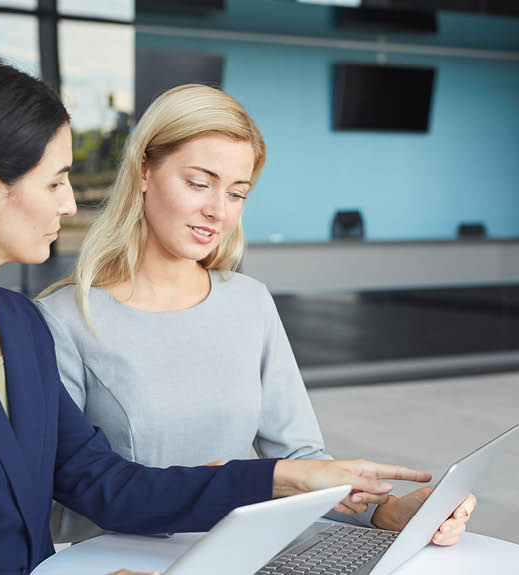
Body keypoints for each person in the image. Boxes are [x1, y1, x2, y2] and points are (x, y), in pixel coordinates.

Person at [0, 54, 428, 575]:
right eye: (55, 182)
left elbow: (105, 484)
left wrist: (280, 478)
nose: (71, 204)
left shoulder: (17, 324)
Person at [37, 83, 476, 547]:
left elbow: (300, 462)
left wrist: (387, 514)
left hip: (232, 558)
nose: (217, 211)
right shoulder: (62, 319)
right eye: (199, 183)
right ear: (145, 169)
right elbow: (62, 494)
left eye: (237, 193)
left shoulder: (249, 302)